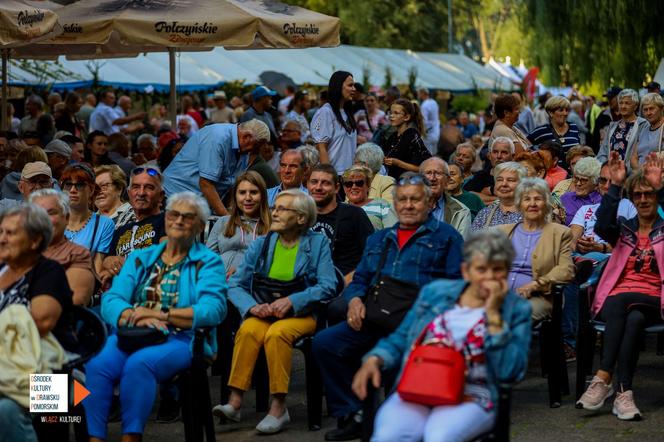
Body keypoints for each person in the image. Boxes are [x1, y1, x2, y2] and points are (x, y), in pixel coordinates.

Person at [313, 172, 464, 441]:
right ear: (394, 204)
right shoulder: (379, 238)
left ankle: (396, 424)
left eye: (415, 200)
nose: (408, 205)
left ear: (429, 203)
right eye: (402, 200)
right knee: (326, 343)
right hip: (377, 317)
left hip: (418, 326)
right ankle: (355, 412)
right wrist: (355, 300)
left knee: (395, 367)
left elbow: (455, 285)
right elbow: (361, 278)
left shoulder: (447, 237)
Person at [353, 229, 532, 442]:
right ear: (466, 271)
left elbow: (509, 371)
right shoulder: (436, 293)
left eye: (498, 270)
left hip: (474, 392)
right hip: (421, 382)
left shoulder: (516, 309)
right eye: (481, 269)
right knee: (388, 435)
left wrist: (493, 314)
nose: (489, 278)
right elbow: (401, 337)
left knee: (440, 436)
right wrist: (375, 358)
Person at [83, 192, 227, 441]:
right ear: (166, 218)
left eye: (188, 216)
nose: (179, 220)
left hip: (184, 338)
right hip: (135, 331)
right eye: (173, 214)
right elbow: (112, 299)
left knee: (139, 364)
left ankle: (131, 436)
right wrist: (132, 315)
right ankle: (95, 437)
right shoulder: (142, 257)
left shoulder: (208, 262)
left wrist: (162, 314)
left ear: (201, 226)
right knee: (97, 365)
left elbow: (213, 309)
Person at [214, 190, 336, 434]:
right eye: (274, 208)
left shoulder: (317, 242)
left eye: (282, 208)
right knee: (248, 328)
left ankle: (279, 407)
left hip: (301, 314)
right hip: (265, 310)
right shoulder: (262, 243)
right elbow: (235, 283)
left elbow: (328, 284)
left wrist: (293, 300)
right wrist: (251, 306)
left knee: (277, 334)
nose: (274, 213)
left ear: (301, 218)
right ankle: (235, 401)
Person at [576, 153, 664, 420]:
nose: (644, 199)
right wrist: (615, 186)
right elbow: (602, 224)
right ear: (632, 200)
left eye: (649, 194)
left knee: (622, 300)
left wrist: (659, 183)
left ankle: (603, 376)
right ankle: (624, 393)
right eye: (637, 195)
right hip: (626, 304)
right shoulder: (625, 230)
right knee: (633, 319)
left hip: (655, 298)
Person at [0, 204, 75, 442]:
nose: (2, 239)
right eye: (0, 232)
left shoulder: (48, 271)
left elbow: (41, 322)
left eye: (10, 233)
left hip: (52, 377)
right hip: (6, 368)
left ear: (35, 241)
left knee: (6, 411)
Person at [497, 178, 575, 321]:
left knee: (510, 315)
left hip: (537, 298)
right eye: (527, 199)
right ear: (519, 204)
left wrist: (536, 284)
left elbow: (566, 270)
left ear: (546, 203)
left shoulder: (560, 233)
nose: (532, 204)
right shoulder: (503, 232)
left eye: (538, 199)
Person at [162, 120, 270, 216]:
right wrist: (227, 219)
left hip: (196, 203)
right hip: (175, 197)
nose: (258, 150)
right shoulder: (218, 138)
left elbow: (232, 187)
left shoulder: (244, 150)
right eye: (257, 145)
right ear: (246, 137)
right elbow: (206, 184)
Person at [101, 166, 167, 287]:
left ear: (161, 196)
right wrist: (108, 262)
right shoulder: (120, 230)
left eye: (149, 187)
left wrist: (127, 264)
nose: (141, 193)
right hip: (120, 293)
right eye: (136, 187)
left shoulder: (168, 220)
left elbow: (168, 255)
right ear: (129, 193)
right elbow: (106, 261)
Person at [307, 164, 374, 283]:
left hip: (344, 285)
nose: (318, 187)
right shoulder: (302, 215)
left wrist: (345, 282)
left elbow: (372, 255)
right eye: (314, 182)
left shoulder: (354, 214)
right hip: (309, 286)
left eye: (325, 183)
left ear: (337, 188)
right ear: (307, 185)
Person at [30, 189, 95, 306]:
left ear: (66, 218)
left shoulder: (77, 254)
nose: (43, 220)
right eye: (37, 214)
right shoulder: (17, 251)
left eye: (50, 213)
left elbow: (74, 302)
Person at [206, 171, 271, 280]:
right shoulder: (223, 222)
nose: (248, 198)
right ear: (235, 196)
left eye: (254, 192)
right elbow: (208, 257)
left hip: (251, 282)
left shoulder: (272, 226)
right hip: (217, 280)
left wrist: (244, 269)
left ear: (263, 196)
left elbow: (270, 262)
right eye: (242, 192)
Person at [570, 161, 637, 257]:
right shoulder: (584, 209)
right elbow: (571, 240)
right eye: (603, 180)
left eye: (613, 181)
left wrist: (601, 248)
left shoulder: (632, 207)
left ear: (623, 184)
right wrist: (581, 245)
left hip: (613, 260)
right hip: (582, 259)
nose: (607, 186)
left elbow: (634, 244)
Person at [59, 164, 115, 275]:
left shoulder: (104, 224)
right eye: (68, 185)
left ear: (91, 189)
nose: (73, 190)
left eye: (79, 185)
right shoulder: (53, 221)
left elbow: (97, 270)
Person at [311, 71, 357, 174]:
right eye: (350, 85)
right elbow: (321, 147)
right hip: (334, 175)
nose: (354, 89)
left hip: (348, 177)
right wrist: (329, 176)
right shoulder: (326, 112)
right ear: (338, 86)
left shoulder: (347, 112)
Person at [420, 157, 472, 237]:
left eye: (438, 173)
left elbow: (461, 246)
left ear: (447, 180)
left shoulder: (461, 212)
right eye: (428, 173)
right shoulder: (403, 206)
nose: (432, 178)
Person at [383, 98, 432, 179]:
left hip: (409, 184)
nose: (391, 116)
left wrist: (398, 163)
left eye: (396, 113)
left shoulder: (412, 135)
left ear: (407, 117)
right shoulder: (393, 137)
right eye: (390, 112)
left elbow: (426, 168)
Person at [597, 89, 648, 166]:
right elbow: (602, 152)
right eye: (621, 103)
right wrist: (605, 167)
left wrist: (624, 171)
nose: (623, 106)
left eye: (627, 103)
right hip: (609, 173)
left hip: (630, 174)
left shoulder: (643, 125)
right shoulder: (612, 126)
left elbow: (643, 154)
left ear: (635, 106)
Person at [471, 162, 527, 231]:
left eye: (510, 180)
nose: (504, 184)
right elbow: (474, 240)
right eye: (499, 180)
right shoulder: (485, 214)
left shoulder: (531, 213)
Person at [342, 165, 397, 230]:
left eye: (359, 183)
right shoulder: (340, 207)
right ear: (344, 188)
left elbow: (391, 231)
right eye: (349, 184)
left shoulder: (381, 205)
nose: (354, 187)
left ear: (368, 186)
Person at [464, 136, 515, 204]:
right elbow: (467, 194)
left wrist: (485, 195)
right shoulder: (481, 176)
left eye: (504, 152)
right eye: (495, 152)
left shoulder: (518, 177)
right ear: (490, 156)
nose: (499, 156)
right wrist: (497, 199)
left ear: (513, 156)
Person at [559, 156, 602, 225]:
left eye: (584, 180)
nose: (578, 183)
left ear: (595, 183)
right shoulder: (566, 198)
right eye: (576, 178)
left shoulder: (601, 201)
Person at [630, 92, 664, 170]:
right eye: (645, 110)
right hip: (642, 177)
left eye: (651, 108)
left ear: (661, 109)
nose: (648, 113)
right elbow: (633, 158)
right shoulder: (644, 129)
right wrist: (641, 171)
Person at [417, 88, 440, 154]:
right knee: (434, 155)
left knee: (427, 156)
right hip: (436, 132)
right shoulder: (434, 102)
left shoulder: (424, 105)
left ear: (422, 94)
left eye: (419, 94)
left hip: (428, 135)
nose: (418, 95)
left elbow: (424, 121)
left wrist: (421, 133)